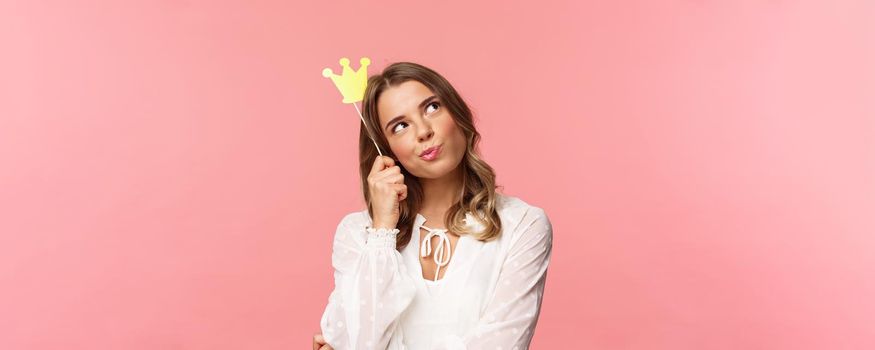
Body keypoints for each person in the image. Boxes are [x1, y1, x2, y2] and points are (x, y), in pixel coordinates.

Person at [313, 62, 553, 350]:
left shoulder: (523, 225)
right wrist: (382, 232)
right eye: (400, 126)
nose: (423, 131)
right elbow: (361, 342)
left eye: (431, 108)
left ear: (457, 112)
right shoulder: (357, 234)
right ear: (386, 150)